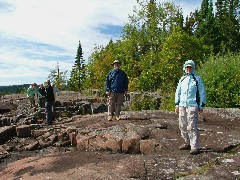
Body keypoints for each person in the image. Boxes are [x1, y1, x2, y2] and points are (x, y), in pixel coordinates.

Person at [175, 60, 206, 155]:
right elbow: (178, 92)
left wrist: (202, 105)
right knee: (182, 125)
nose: (189, 69)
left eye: (190, 67)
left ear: (193, 68)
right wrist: (177, 104)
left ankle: (195, 146)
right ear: (185, 68)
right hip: (182, 105)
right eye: (187, 67)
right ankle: (186, 142)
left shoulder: (197, 79)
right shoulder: (182, 79)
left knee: (192, 126)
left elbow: (202, 92)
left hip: (192, 105)